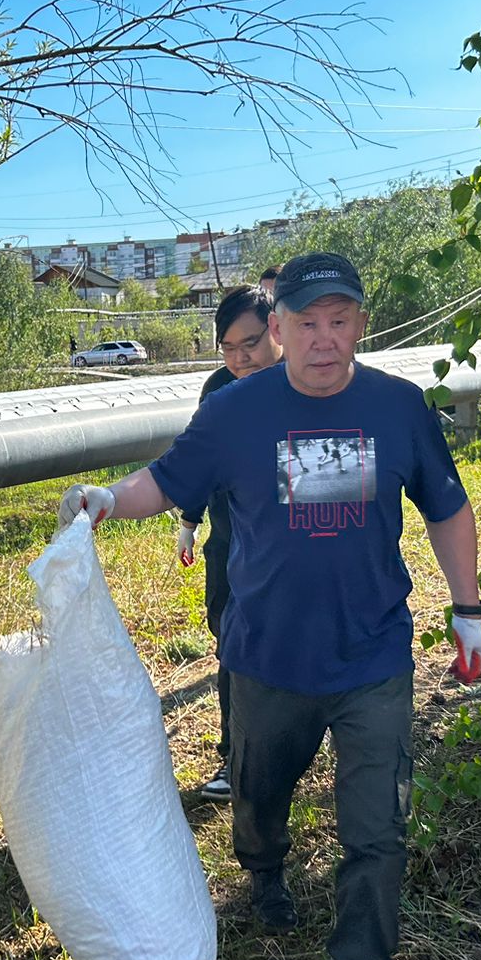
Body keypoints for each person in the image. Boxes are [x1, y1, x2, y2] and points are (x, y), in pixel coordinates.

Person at [56, 252, 481, 960]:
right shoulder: (237, 410)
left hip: (373, 658)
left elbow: (449, 507)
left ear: (361, 323)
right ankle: (262, 869)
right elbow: (168, 479)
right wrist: (110, 500)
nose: (324, 341)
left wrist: (467, 608)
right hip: (266, 658)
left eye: (341, 321)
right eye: (307, 323)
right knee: (260, 791)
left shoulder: (397, 408)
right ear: (278, 327)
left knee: (377, 833)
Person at [175, 286, 283, 801]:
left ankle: (296, 744)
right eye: (228, 346)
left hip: (288, 549)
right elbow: (198, 461)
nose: (241, 358)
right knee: (233, 648)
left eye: (252, 343)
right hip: (231, 543)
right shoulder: (219, 390)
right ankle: (235, 759)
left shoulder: (304, 383)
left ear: (278, 331)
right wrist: (189, 521)